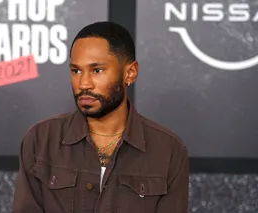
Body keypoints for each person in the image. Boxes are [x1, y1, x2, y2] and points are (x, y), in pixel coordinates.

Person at [12, 21, 189, 213]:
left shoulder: (168, 151)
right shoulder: (41, 140)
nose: (84, 83)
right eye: (76, 71)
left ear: (130, 73)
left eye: (97, 70)